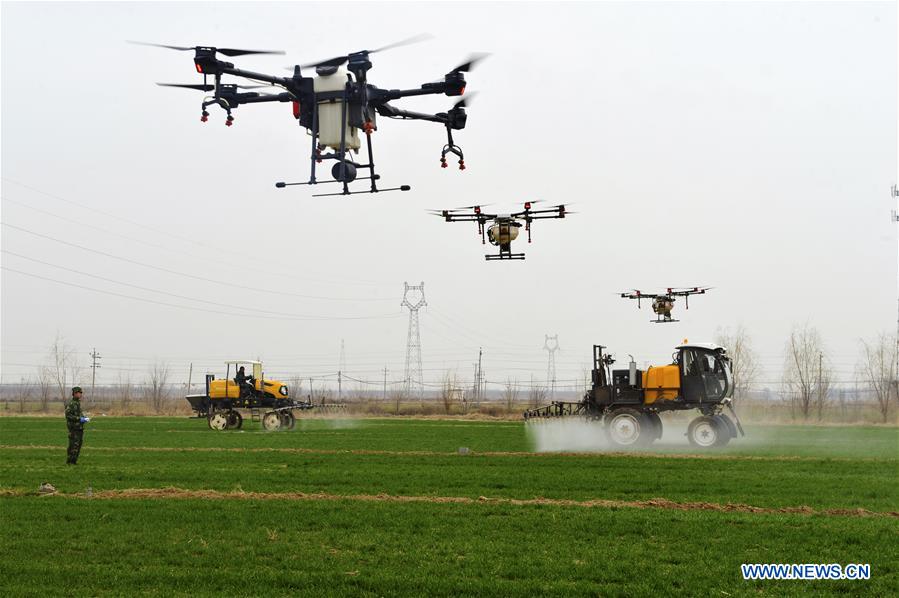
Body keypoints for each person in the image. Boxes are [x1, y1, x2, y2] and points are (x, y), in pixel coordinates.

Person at [64, 386, 89, 465]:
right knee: (73, 445)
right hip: (73, 428)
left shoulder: (78, 403)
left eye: (81, 393)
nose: (80, 394)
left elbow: (79, 413)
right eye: (79, 393)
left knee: (78, 445)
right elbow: (68, 415)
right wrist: (79, 419)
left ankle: (74, 461)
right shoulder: (71, 404)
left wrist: (84, 418)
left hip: (79, 428)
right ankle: (70, 461)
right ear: (74, 393)